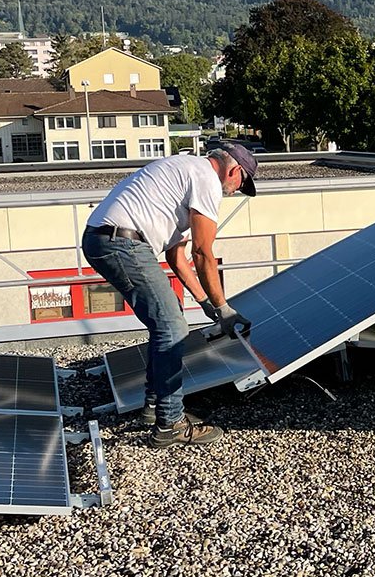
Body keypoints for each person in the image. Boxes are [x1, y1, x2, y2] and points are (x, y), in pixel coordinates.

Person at [82, 143, 258, 446]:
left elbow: (178, 258)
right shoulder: (205, 179)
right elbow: (203, 253)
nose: (234, 192)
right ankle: (171, 424)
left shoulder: (183, 172)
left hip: (106, 239)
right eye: (240, 184)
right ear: (234, 171)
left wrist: (205, 302)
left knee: (166, 318)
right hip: (122, 242)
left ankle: (155, 406)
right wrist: (224, 308)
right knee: (172, 326)